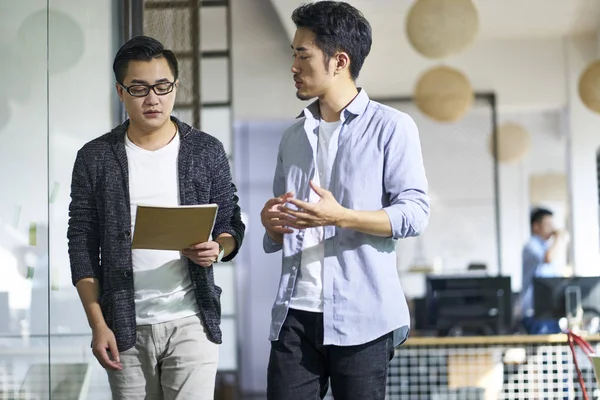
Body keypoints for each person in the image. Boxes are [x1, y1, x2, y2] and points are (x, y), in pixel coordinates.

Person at [260, 2, 430, 399]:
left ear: (339, 61)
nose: (293, 66)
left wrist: (342, 217)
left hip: (363, 315)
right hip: (294, 314)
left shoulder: (393, 127)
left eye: (303, 55)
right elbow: (282, 223)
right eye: (293, 55)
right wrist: (272, 224)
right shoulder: (293, 136)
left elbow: (415, 213)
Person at [67, 36, 245, 400]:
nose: (153, 99)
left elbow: (230, 221)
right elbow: (81, 243)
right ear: (121, 92)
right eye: (139, 88)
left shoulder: (205, 150)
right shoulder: (96, 157)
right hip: (123, 324)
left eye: (163, 87)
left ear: (175, 86)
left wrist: (219, 248)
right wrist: (97, 324)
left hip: (192, 319)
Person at [519, 207, 566, 334]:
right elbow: (548, 258)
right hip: (534, 311)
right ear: (535, 226)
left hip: (550, 310)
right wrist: (557, 238)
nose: (551, 228)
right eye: (548, 224)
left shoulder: (547, 247)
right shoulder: (531, 246)